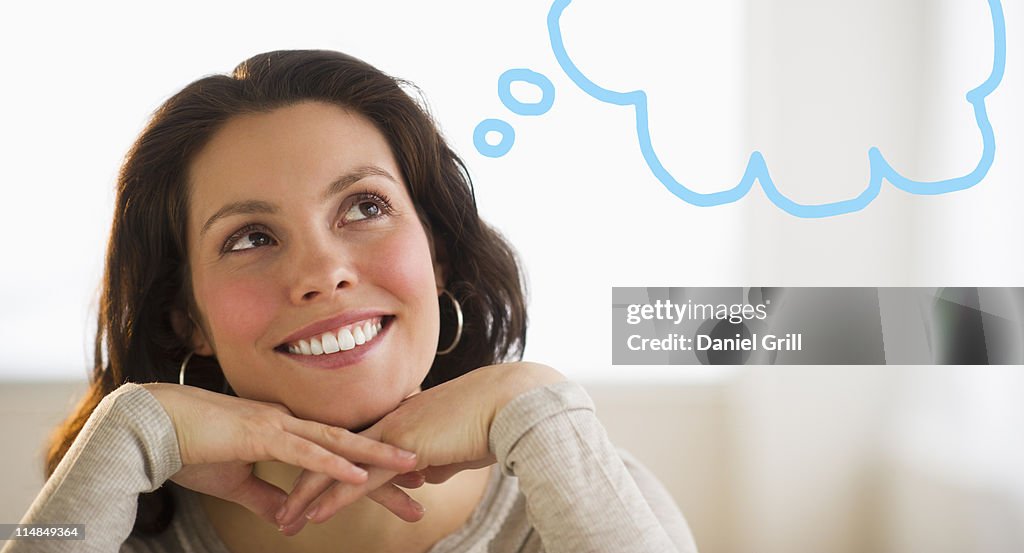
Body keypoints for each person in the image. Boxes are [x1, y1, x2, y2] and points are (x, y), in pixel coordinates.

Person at [4, 50, 698, 553]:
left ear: (439, 253)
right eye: (250, 237)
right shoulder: (108, 523)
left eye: (364, 205)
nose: (322, 272)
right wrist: (127, 429)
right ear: (188, 318)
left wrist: (534, 397)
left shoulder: (589, 493)